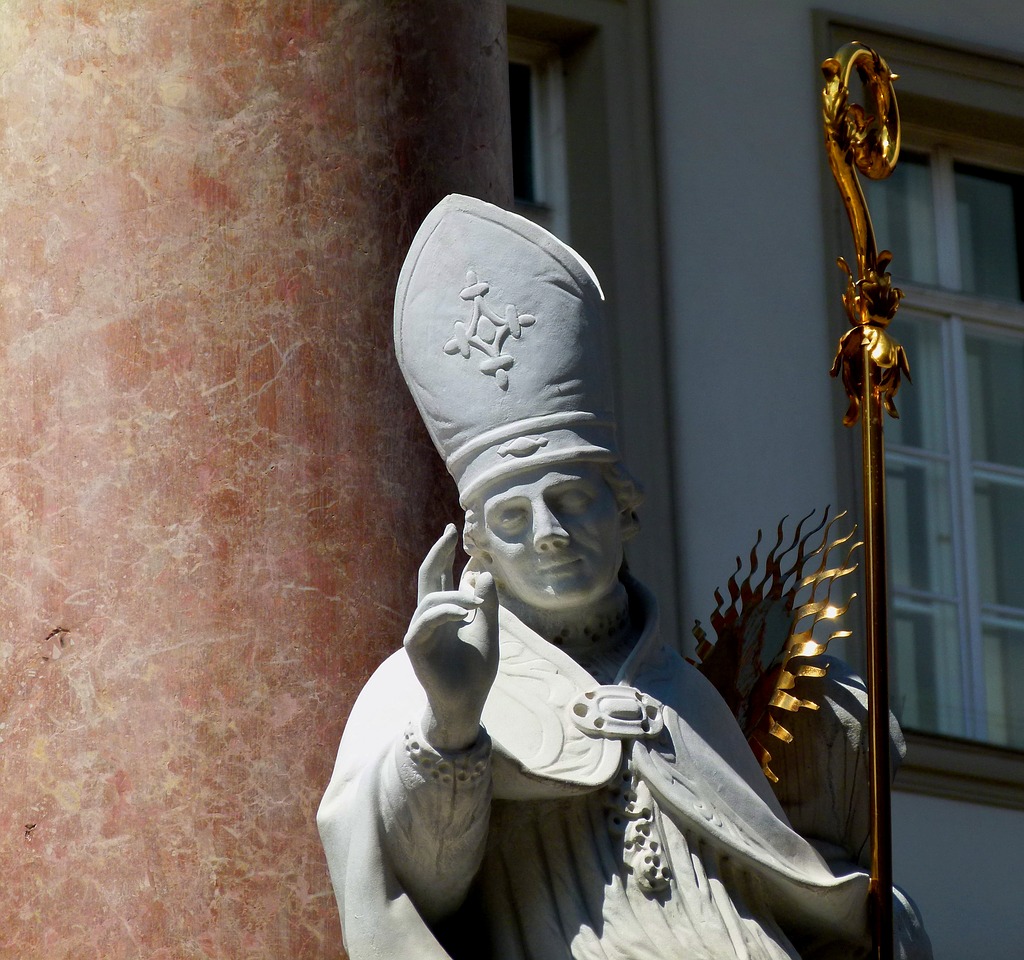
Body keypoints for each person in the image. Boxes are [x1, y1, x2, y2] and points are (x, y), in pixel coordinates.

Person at [317, 195, 932, 960]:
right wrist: (451, 724)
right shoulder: (421, 686)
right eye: (513, 517)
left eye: (574, 498)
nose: (549, 533)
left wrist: (873, 909)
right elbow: (412, 890)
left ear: (626, 509)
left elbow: (796, 890)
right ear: (477, 547)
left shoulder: (687, 696)